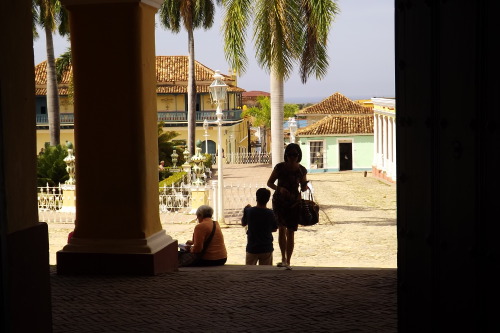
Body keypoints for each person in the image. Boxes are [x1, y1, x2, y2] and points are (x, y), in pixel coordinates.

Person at [266, 143, 309, 269]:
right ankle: (283, 258)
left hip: (294, 203)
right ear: (286, 155)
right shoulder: (279, 167)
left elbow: (303, 187)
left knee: (291, 232)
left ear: (298, 155)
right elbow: (269, 183)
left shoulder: (302, 170)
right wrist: (279, 189)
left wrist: (305, 186)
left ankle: (288, 260)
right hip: (280, 202)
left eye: (295, 155)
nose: (292, 157)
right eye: (290, 155)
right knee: (281, 230)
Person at [241, 188, 278, 265]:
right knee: (266, 273)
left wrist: (245, 210)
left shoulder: (249, 211)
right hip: (266, 247)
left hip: (252, 247)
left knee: (249, 272)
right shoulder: (270, 213)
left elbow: (243, 223)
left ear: (256, 198)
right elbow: (274, 229)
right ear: (268, 200)